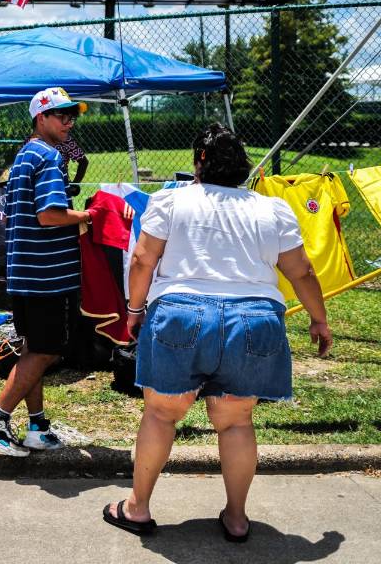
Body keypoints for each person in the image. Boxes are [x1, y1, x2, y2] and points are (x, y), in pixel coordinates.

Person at [102, 123, 333, 541]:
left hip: (180, 314)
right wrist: (319, 319)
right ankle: (237, 518)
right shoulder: (273, 209)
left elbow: (142, 260)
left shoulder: (170, 200)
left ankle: (137, 508)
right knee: (236, 421)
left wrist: (134, 310)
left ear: (199, 162)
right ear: (243, 166)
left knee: (160, 414)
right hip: (255, 320)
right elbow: (301, 271)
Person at [0, 87, 89, 456]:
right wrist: (89, 215)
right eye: (61, 116)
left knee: (34, 349)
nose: (69, 123)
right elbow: (49, 215)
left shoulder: (25, 154)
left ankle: (37, 426)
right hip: (47, 276)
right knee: (46, 352)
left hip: (24, 272)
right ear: (41, 118)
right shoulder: (49, 157)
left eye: (72, 116)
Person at [54, 122, 89, 196]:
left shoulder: (65, 139)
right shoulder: (32, 140)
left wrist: (74, 184)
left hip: (61, 186)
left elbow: (83, 162)